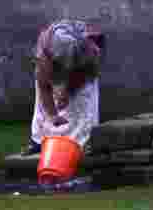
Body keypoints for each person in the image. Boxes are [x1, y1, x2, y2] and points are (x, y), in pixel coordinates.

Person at [23, 19, 105, 155]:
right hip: (57, 61)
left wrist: (69, 90)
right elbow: (44, 87)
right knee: (43, 109)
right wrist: (53, 115)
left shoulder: (90, 51)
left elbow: (86, 74)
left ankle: (83, 143)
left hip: (84, 64)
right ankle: (39, 141)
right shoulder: (44, 57)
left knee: (84, 100)